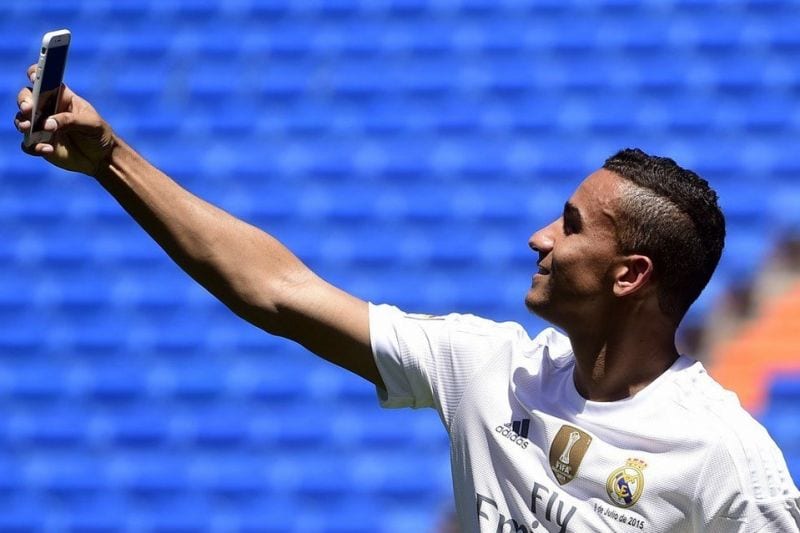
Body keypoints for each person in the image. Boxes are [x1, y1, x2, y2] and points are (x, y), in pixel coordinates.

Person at [14, 64, 800, 532]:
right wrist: (110, 159)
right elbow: (277, 291)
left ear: (630, 275)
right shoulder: (487, 368)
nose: (539, 238)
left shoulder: (726, 457)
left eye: (569, 225)